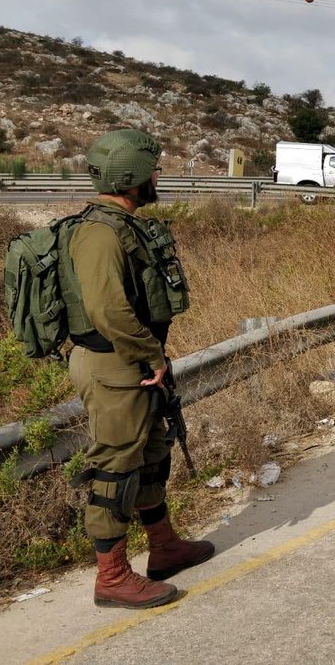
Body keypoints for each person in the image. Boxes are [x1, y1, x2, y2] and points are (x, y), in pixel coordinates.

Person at [67, 129, 213, 608]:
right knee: (115, 469)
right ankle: (111, 576)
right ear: (130, 177)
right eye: (151, 168)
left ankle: (165, 547)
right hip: (114, 364)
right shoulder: (99, 234)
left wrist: (154, 357)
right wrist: (151, 355)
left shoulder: (124, 224)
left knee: (151, 455)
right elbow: (109, 311)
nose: (157, 175)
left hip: (135, 362)